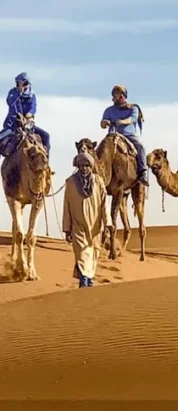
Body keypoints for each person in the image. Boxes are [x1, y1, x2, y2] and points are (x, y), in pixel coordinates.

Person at [62, 153, 111, 288]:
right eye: (82, 166)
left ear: (91, 166)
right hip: (78, 226)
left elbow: (104, 203)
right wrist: (67, 228)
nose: (84, 168)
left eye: (87, 165)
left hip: (95, 226)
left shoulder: (98, 181)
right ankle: (83, 282)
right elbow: (66, 205)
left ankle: (88, 281)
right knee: (82, 254)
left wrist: (108, 224)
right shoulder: (70, 182)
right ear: (78, 166)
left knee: (94, 254)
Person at [100, 85, 148, 185]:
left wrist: (123, 122)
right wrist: (105, 123)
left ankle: (143, 172)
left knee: (141, 147)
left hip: (128, 135)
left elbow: (132, 119)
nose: (116, 97)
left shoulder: (133, 108)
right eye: (115, 95)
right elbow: (102, 124)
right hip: (112, 136)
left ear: (123, 96)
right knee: (100, 150)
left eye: (118, 94)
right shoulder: (109, 110)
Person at [1, 72, 51, 157]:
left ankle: (45, 162)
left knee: (46, 136)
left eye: (23, 83)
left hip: (27, 125)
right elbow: (10, 103)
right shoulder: (13, 92)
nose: (21, 86)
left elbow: (33, 107)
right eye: (18, 83)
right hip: (12, 124)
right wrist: (18, 95)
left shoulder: (32, 96)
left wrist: (29, 115)